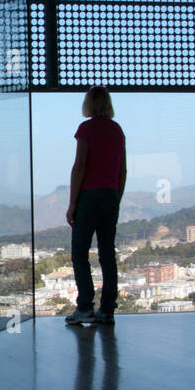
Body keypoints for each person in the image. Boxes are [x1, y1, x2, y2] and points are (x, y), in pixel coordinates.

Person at [66, 86, 126, 326]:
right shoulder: (117, 130)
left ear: (88, 104)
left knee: (80, 252)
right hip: (110, 197)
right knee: (107, 253)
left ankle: (85, 307)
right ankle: (108, 309)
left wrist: (72, 204)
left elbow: (79, 167)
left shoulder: (86, 129)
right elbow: (122, 171)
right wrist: (116, 199)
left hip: (88, 197)